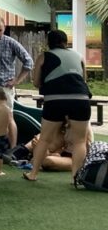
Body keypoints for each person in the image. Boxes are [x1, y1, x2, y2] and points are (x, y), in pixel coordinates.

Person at [24, 29, 91, 183]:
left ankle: (33, 174)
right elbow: (84, 80)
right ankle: (76, 177)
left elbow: (35, 82)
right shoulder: (79, 56)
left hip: (55, 100)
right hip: (80, 99)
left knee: (45, 139)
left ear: (49, 42)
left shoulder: (43, 56)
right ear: (65, 42)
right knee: (80, 141)